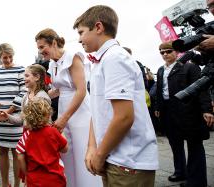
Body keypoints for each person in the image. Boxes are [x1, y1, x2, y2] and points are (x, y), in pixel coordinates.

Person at [73, 5, 159, 186]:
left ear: (98, 27)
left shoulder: (115, 58)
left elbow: (124, 117)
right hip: (115, 157)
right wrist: (91, 146)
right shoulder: (102, 60)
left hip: (128, 160)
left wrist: (100, 153)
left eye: (81, 32)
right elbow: (97, 111)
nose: (79, 39)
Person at [35, 28, 101, 187]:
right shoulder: (52, 63)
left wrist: (64, 117)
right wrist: (37, 97)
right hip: (64, 109)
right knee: (67, 153)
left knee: (81, 151)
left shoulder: (73, 57)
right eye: (38, 48)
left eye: (42, 47)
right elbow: (59, 89)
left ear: (54, 43)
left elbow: (81, 90)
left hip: (80, 111)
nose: (40, 51)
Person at [154, 41, 214, 187]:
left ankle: (196, 181)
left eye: (168, 51)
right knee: (175, 143)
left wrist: (207, 109)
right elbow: (160, 91)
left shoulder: (190, 67)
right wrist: (158, 107)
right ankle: (180, 171)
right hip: (169, 111)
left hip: (189, 111)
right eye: (162, 52)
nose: (165, 54)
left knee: (194, 145)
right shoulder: (161, 70)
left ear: (176, 52)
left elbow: (202, 88)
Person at [0, 43, 26, 187]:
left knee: (16, 152)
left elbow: (24, 91)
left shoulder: (20, 69)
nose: (8, 60)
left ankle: (16, 184)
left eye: (10, 57)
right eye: (4, 58)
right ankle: (4, 184)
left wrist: (8, 111)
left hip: (14, 118)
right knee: (2, 151)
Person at [16, 98, 68, 187]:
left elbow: (20, 156)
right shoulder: (53, 132)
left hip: (34, 180)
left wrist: (26, 173)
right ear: (47, 115)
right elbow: (65, 149)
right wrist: (62, 133)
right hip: (55, 179)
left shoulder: (26, 135)